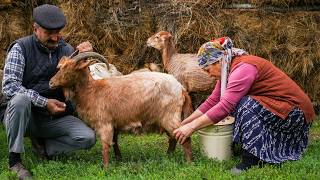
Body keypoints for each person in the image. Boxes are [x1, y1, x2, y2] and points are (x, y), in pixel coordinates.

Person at [173, 37, 315, 174]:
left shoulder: (243, 68)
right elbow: (212, 101)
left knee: (244, 104)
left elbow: (225, 106)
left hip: (295, 113)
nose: (208, 75)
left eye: (207, 69)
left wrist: (192, 127)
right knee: (241, 103)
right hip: (281, 109)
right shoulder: (227, 70)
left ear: (218, 61)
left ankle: (250, 160)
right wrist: (185, 123)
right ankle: (255, 147)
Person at [1, 4, 96, 179]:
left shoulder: (67, 51)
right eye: (49, 33)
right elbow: (9, 87)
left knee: (88, 138)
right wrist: (44, 102)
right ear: (35, 28)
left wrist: (84, 58)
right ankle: (15, 161)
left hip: (54, 119)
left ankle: (46, 147)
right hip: (25, 117)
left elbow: (83, 85)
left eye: (58, 32)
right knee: (20, 99)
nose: (55, 37)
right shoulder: (20, 48)